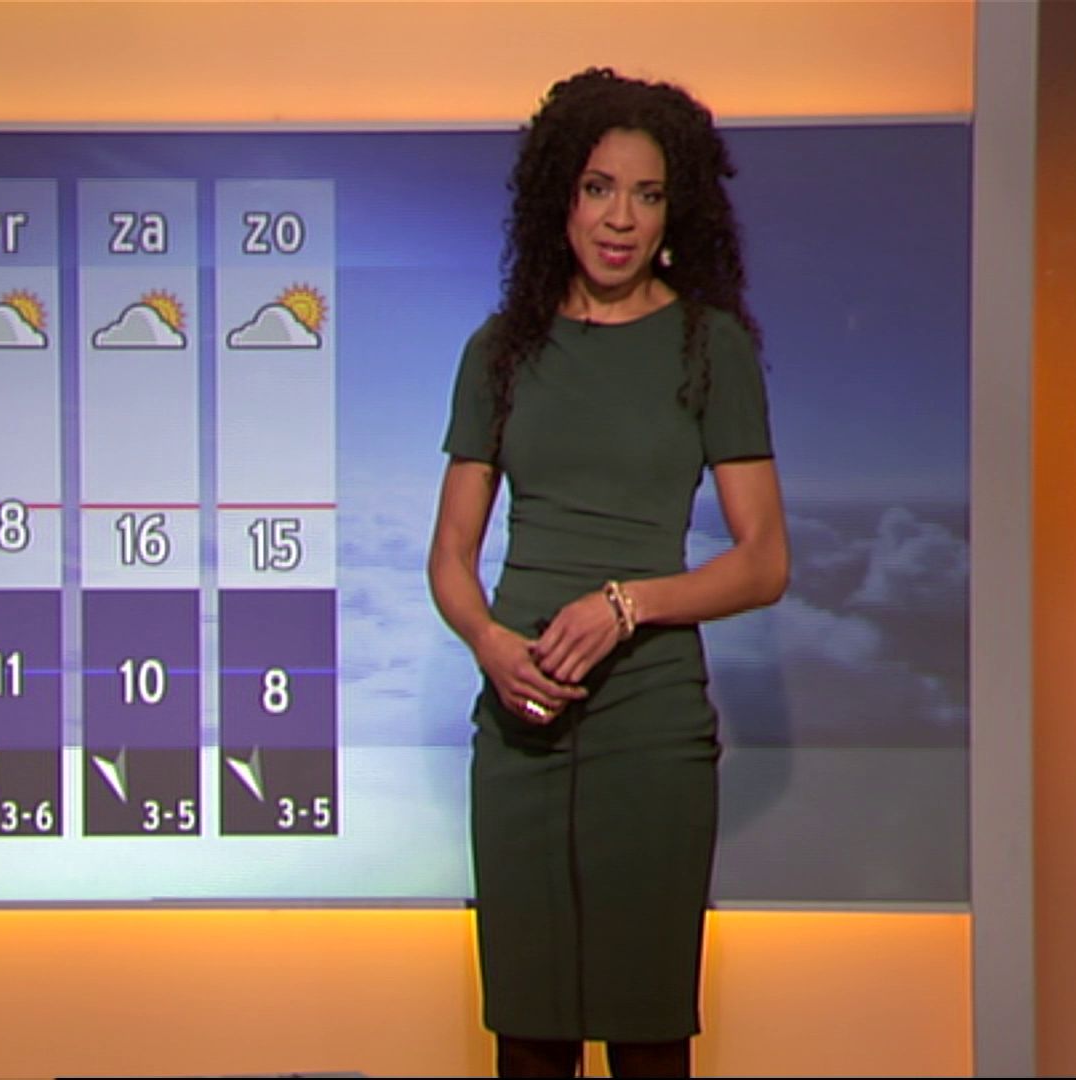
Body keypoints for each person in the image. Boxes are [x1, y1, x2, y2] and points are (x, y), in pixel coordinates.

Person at [427, 68, 789, 1078]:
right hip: (521, 726)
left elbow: (764, 559)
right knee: (530, 1040)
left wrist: (627, 607)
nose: (619, 218)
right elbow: (451, 555)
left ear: (677, 211)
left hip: (650, 729)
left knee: (646, 1035)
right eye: (598, 189)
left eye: (646, 193)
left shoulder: (709, 348)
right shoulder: (500, 351)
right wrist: (490, 645)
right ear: (561, 198)